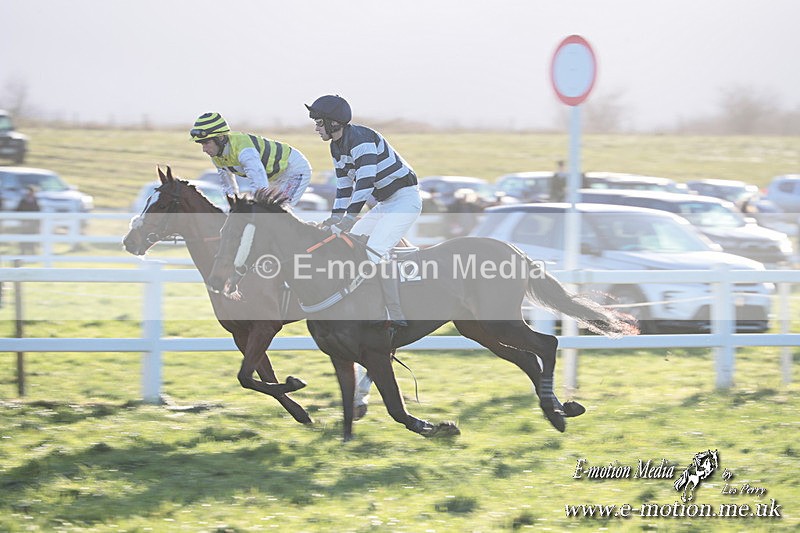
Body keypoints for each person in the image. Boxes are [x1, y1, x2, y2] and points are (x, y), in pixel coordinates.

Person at [306, 95, 422, 420]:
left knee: (371, 252)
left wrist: (346, 217)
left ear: (334, 123)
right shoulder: (337, 146)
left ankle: (393, 312)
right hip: (384, 204)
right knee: (350, 244)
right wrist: (335, 220)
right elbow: (344, 187)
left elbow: (364, 184)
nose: (316, 127)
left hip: (404, 201)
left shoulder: (361, 140)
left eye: (319, 122)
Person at [190, 112, 312, 205]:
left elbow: (259, 182)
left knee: (278, 214)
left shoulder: (244, 150)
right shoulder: (217, 156)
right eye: (201, 144)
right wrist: (234, 208)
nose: (204, 149)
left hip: (294, 170)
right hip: (274, 177)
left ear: (220, 138)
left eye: (206, 143)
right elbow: (229, 188)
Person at [16, 185, 40, 255]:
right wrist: (23, 220)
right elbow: (18, 211)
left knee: (32, 238)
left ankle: (32, 253)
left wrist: (37, 223)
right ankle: (23, 252)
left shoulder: (35, 201)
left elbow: (38, 212)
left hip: (32, 224)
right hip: (24, 223)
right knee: (23, 238)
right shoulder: (23, 201)